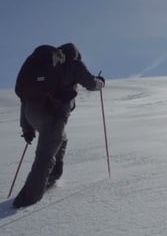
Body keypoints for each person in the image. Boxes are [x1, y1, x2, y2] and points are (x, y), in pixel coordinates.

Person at [13, 43, 105, 208]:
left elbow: (26, 98)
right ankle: (26, 200)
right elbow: (91, 83)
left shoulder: (42, 68)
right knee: (45, 156)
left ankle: (54, 174)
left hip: (30, 113)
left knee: (62, 139)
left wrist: (27, 128)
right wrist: (101, 83)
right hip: (52, 116)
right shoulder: (73, 64)